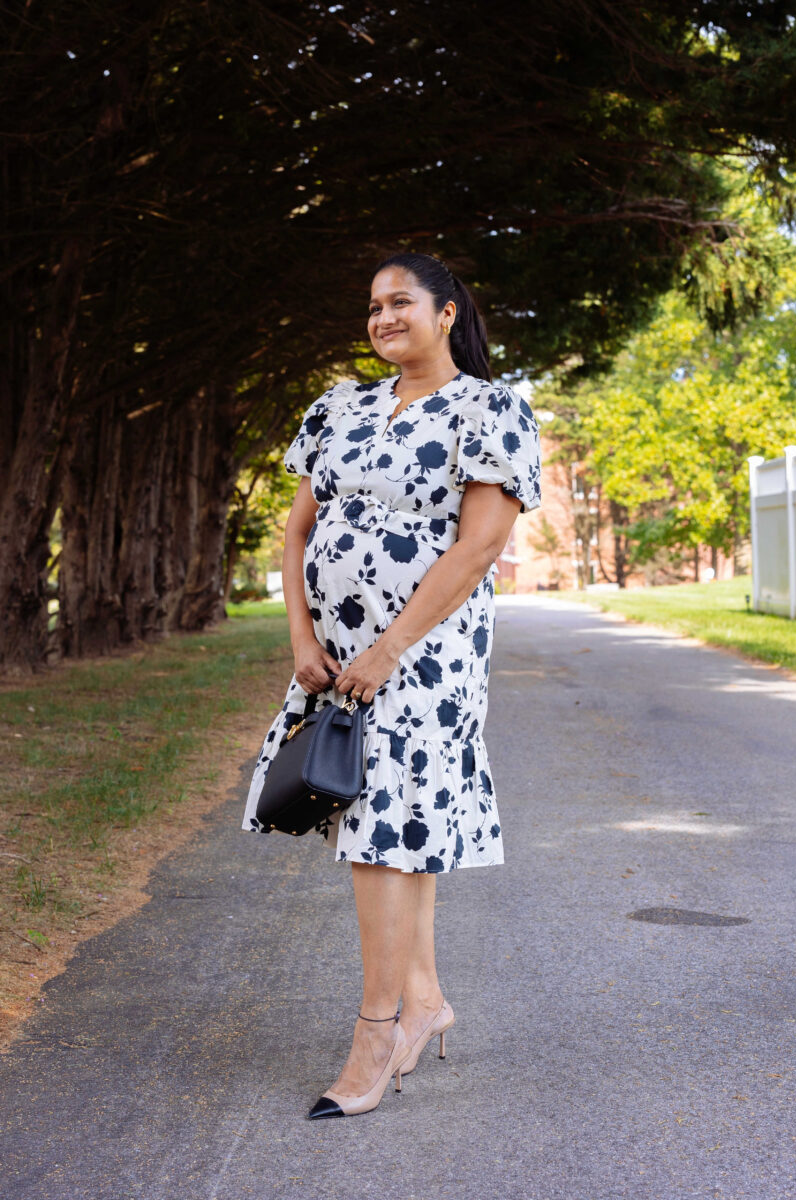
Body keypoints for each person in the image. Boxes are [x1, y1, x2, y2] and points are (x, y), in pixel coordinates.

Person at [241, 251, 541, 1119]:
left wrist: (389, 648)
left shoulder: (490, 408)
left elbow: (479, 545)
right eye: (372, 305)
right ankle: (428, 1002)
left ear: (447, 314)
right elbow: (297, 533)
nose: (382, 318)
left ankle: (377, 1032)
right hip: (336, 655)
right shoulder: (340, 407)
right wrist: (303, 633)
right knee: (389, 821)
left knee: (377, 830)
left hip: (426, 656)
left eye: (400, 301)